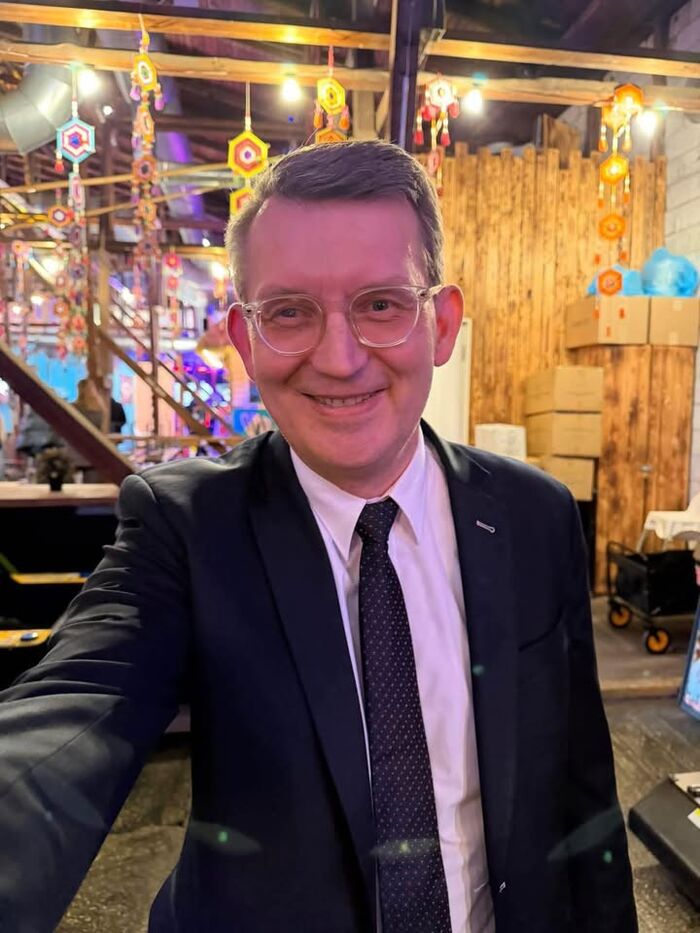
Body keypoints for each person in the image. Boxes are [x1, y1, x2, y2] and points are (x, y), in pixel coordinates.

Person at [0, 140, 637, 933]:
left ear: (441, 324)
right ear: (244, 339)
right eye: (290, 312)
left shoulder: (536, 517)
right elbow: (71, 713)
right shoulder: (187, 527)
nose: (338, 360)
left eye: (381, 304)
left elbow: (584, 790)